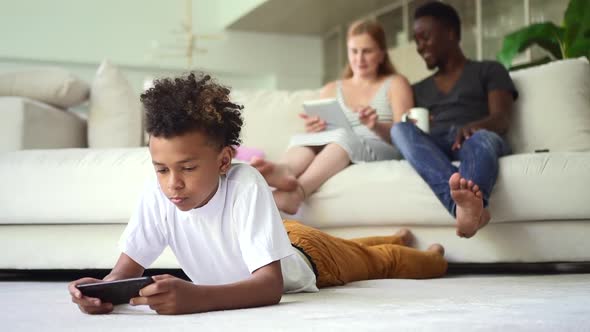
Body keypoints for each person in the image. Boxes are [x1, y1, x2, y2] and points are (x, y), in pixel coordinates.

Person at [68, 73, 447, 315]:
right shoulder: (159, 195)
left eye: (187, 168)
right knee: (357, 248)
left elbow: (270, 286)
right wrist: (101, 293)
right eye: (161, 169)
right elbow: (124, 272)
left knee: (376, 261)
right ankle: (391, 237)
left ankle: (430, 258)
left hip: (311, 257)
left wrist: (195, 297)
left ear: (223, 160)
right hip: (276, 238)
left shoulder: (244, 182)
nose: (173, 184)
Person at [251, 19, 414, 214]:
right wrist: (315, 128)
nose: (359, 59)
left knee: (342, 138)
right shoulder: (331, 88)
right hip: (338, 144)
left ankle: (297, 193)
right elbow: (322, 136)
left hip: (378, 145)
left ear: (381, 54)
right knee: (307, 138)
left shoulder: (395, 83)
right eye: (354, 51)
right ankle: (285, 170)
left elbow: (406, 136)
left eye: (367, 51)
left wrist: (375, 125)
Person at [391, 2, 518, 239]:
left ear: (450, 33)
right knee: (400, 129)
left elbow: (502, 119)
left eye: (425, 37)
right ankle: (467, 209)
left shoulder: (489, 70)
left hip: (479, 139)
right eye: (416, 40)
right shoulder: (418, 89)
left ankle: (469, 206)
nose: (420, 46)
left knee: (480, 138)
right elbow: (411, 138)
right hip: (437, 144)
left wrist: (474, 126)